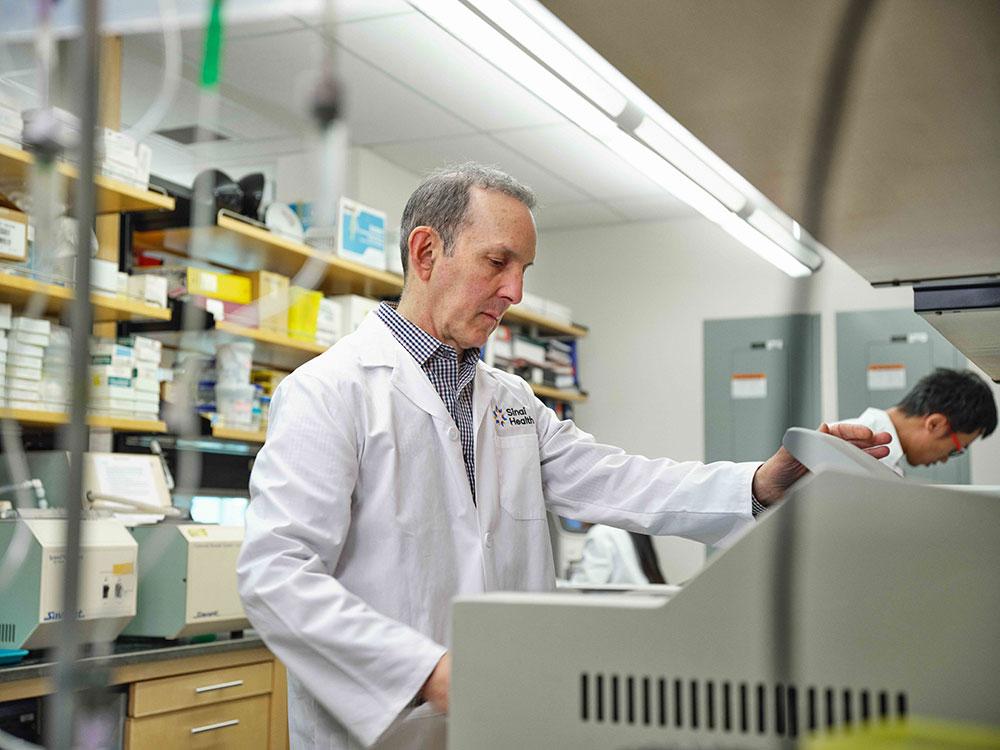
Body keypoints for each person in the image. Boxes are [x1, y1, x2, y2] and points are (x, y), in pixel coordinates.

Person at [237, 163, 890, 749]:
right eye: (498, 262)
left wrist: (760, 481)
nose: (515, 291)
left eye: (524, 270)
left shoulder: (511, 401)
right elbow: (277, 575)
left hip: (506, 719)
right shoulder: (330, 392)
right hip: (383, 733)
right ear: (426, 251)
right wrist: (424, 671)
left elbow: (621, 482)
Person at [837, 368, 997, 476]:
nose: (944, 459)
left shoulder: (884, 459)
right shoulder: (848, 450)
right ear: (935, 424)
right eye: (955, 449)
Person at [570, 524, 667, 585]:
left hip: (619, 607)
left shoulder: (600, 532)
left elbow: (589, 584)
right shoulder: (627, 528)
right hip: (642, 599)